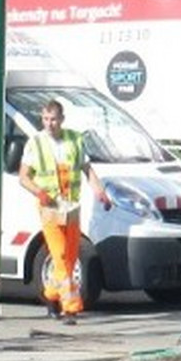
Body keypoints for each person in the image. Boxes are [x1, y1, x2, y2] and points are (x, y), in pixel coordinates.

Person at [19, 99, 112, 325]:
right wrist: (40, 194)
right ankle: (70, 308)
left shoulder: (74, 140)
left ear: (62, 120)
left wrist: (100, 192)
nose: (49, 124)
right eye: (45, 119)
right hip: (49, 207)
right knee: (59, 256)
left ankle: (51, 297)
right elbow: (24, 177)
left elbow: (87, 170)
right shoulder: (35, 143)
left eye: (53, 119)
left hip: (71, 207)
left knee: (70, 258)